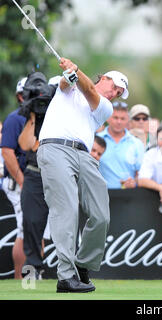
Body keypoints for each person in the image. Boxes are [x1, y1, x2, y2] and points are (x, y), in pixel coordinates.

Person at [37, 57, 128, 292]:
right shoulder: (65, 84)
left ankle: (84, 263)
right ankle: (66, 277)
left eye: (119, 92)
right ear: (104, 78)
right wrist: (70, 74)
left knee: (101, 215)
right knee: (66, 210)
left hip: (84, 156)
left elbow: (88, 90)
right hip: (55, 148)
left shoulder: (105, 106)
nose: (115, 93)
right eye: (115, 87)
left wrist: (76, 69)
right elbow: (66, 85)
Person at [17, 72, 56, 280]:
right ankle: (31, 274)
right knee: (31, 223)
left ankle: (72, 273)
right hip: (34, 175)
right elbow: (26, 145)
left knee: (65, 223)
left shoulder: (59, 113)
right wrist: (32, 115)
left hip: (57, 176)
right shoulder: (27, 114)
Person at [0, 77, 27, 279]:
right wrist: (23, 181)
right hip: (20, 185)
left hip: (35, 185)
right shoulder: (15, 118)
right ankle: (24, 282)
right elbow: (7, 152)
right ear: (19, 96)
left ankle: (31, 278)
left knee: (35, 234)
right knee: (26, 233)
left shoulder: (44, 117)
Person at [97, 105, 144, 189]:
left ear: (128, 121)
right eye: (115, 118)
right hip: (100, 194)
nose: (119, 122)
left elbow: (141, 174)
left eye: (122, 119)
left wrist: (134, 182)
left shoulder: (137, 143)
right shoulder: (96, 140)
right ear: (108, 118)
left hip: (128, 195)